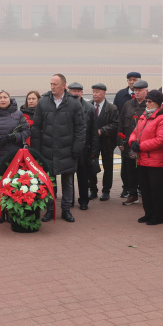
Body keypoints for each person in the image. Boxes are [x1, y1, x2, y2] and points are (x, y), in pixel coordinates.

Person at [31, 74, 86, 223]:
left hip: (68, 150)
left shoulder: (74, 103)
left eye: (55, 84)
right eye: (51, 84)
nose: (52, 87)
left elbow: (81, 128)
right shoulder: (43, 102)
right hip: (47, 150)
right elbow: (36, 128)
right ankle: (50, 210)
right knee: (49, 182)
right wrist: (37, 150)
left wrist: (77, 148)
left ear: (64, 85)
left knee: (68, 181)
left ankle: (66, 210)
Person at [130, 89, 163, 226]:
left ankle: (158, 215)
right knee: (145, 188)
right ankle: (148, 213)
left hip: (156, 160)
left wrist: (140, 146)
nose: (147, 103)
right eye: (147, 101)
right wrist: (132, 141)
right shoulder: (145, 115)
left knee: (156, 190)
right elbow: (135, 131)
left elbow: (161, 140)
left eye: (150, 101)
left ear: (158, 103)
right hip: (143, 159)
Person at [66, 82, 98, 209]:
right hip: (68, 148)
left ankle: (84, 200)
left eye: (78, 91)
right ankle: (69, 200)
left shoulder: (89, 108)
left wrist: (93, 150)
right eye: (73, 91)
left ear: (82, 93)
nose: (76, 93)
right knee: (68, 177)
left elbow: (94, 132)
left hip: (84, 149)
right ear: (69, 92)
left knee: (83, 176)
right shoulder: (64, 106)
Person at [118, 80, 149, 205]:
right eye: (135, 90)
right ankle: (132, 194)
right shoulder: (128, 104)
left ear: (146, 91)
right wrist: (120, 141)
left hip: (143, 145)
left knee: (142, 171)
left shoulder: (149, 104)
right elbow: (121, 123)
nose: (137, 92)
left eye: (139, 90)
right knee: (129, 171)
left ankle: (144, 193)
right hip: (128, 143)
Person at [89, 83, 120, 202]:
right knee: (91, 165)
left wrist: (102, 130)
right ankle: (93, 189)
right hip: (92, 142)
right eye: (93, 91)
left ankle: (106, 190)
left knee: (108, 167)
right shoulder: (88, 105)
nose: (94, 94)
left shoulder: (112, 108)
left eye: (97, 92)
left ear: (104, 93)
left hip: (107, 141)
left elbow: (115, 124)